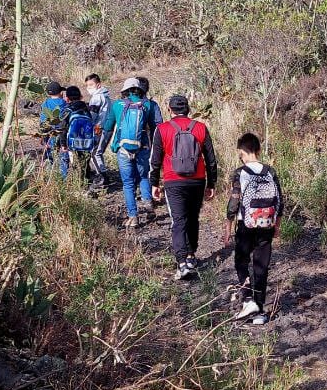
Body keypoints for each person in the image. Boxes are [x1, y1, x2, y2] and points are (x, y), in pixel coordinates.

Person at [150, 95, 218, 280]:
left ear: (170, 110)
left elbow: (155, 161)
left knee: (179, 220)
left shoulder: (162, 129)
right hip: (197, 180)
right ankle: (191, 255)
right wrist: (212, 183)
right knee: (193, 217)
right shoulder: (201, 128)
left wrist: (154, 183)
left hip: (174, 180)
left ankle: (182, 263)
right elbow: (211, 160)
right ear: (188, 109)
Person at [225, 132, 283, 326]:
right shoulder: (270, 171)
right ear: (258, 150)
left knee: (241, 262)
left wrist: (228, 227)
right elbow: (280, 201)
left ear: (241, 152)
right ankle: (260, 311)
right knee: (261, 266)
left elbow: (234, 202)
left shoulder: (239, 173)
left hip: (246, 225)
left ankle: (248, 300)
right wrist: (277, 226)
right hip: (266, 224)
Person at [100, 78, 159, 227]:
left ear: (125, 91)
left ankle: (133, 217)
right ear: (140, 89)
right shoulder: (148, 105)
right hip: (143, 147)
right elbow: (156, 127)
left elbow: (107, 127)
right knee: (143, 176)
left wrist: (103, 146)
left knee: (127, 183)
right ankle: (148, 204)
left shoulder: (117, 105)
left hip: (123, 148)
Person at [59, 86, 96, 184]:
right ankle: (87, 184)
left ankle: (79, 186)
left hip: (73, 142)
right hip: (87, 141)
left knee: (75, 164)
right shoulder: (86, 107)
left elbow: (63, 128)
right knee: (85, 162)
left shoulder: (67, 110)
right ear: (80, 96)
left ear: (67, 98)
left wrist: (63, 144)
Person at [85, 74, 113, 190]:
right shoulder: (106, 96)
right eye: (87, 85)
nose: (89, 88)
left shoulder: (97, 97)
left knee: (94, 153)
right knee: (98, 152)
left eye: (91, 85)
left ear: (98, 84)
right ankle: (103, 176)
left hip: (99, 128)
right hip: (106, 128)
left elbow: (92, 115)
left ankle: (102, 177)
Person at [39, 81, 66, 172]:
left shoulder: (45, 104)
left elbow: (43, 120)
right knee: (62, 155)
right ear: (60, 92)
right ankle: (63, 176)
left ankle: (49, 174)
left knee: (49, 153)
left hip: (49, 133)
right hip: (62, 133)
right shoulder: (64, 103)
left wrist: (42, 135)